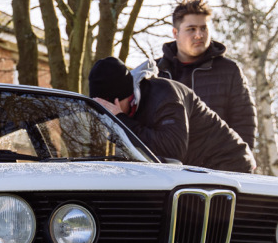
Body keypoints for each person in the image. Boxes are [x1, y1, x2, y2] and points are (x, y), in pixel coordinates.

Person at [88, 56, 255, 173]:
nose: (107, 115)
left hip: (230, 163)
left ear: (123, 97)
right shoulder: (125, 112)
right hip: (198, 169)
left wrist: (122, 121)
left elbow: (172, 150)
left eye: (108, 107)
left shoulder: (165, 95)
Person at [156, 0, 257, 149]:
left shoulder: (229, 71)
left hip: (217, 160)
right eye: (191, 29)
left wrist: (239, 158)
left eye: (203, 28)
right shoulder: (155, 73)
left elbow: (244, 122)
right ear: (175, 33)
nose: (199, 35)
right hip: (163, 160)